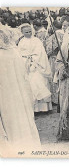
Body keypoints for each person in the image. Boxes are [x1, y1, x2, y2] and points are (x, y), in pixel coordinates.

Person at [0, 26, 41, 154]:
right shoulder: (14, 51)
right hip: (19, 94)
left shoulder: (3, 54)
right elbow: (24, 76)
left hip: (6, 94)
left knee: (10, 121)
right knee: (22, 119)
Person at [17, 23, 52, 113]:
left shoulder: (36, 40)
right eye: (26, 32)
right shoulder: (21, 42)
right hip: (26, 66)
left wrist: (34, 61)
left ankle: (43, 108)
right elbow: (19, 54)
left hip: (37, 65)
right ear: (22, 32)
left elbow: (40, 53)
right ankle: (33, 108)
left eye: (30, 31)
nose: (28, 33)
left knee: (39, 82)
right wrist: (25, 61)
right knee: (30, 85)